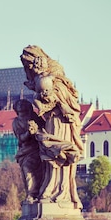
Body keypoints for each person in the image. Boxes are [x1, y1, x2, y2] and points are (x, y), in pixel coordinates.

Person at [20, 46, 83, 206]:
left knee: (56, 154)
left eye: (30, 66)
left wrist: (50, 102)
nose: (30, 70)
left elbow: (65, 102)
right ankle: (49, 188)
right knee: (48, 155)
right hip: (51, 121)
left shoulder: (56, 80)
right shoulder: (41, 80)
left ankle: (59, 190)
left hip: (60, 123)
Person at [12, 99, 44, 202]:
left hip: (36, 148)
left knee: (29, 169)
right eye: (19, 104)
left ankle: (32, 193)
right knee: (25, 171)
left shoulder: (34, 117)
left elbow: (44, 129)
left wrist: (36, 131)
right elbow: (20, 137)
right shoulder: (16, 122)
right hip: (25, 150)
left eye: (23, 104)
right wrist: (28, 133)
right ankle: (30, 193)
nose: (20, 105)